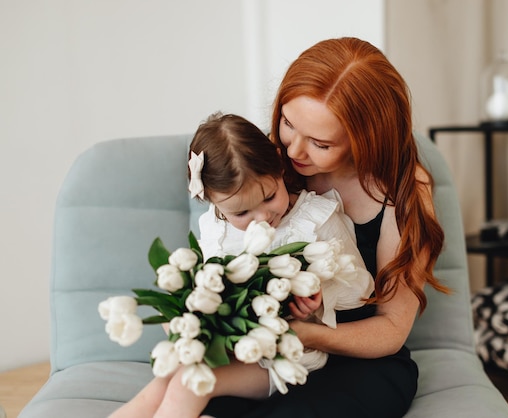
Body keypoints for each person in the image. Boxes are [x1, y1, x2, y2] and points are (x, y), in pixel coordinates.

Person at [202, 37, 449, 418]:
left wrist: (306, 335)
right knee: (200, 391)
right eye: (287, 123)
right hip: (271, 357)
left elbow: (392, 328)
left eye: (320, 142)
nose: (294, 150)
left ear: (367, 138)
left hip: (360, 364)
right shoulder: (271, 168)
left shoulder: (403, 188)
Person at [108, 112, 374, 418]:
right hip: (229, 348)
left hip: (285, 356)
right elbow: (207, 286)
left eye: (270, 196)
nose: (261, 218)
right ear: (213, 202)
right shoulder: (215, 229)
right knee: (161, 382)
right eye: (241, 213)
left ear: (278, 164)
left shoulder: (315, 219)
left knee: (188, 384)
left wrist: (318, 301)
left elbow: (361, 288)